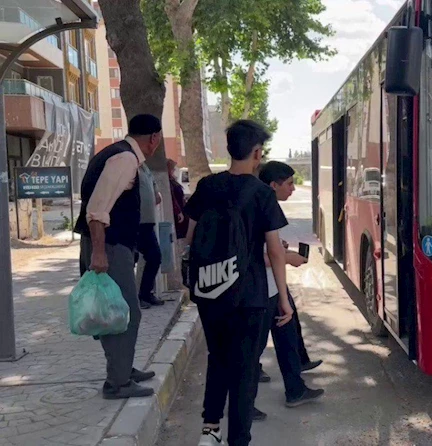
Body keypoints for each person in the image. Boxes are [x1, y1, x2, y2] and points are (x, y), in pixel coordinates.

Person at [184, 120, 293, 446]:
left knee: (217, 359)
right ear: (257, 153)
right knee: (245, 372)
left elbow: (190, 238)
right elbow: (275, 251)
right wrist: (283, 298)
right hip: (249, 295)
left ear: (230, 148)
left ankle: (210, 432)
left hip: (209, 290)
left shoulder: (207, 186)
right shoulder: (262, 193)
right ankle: (238, 441)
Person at [74, 114, 163, 399]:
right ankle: (118, 382)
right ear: (154, 138)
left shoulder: (115, 153)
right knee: (124, 313)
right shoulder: (124, 159)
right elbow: (97, 210)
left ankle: (122, 369)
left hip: (107, 244)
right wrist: (100, 253)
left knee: (115, 310)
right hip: (109, 246)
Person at [250, 161, 324, 420]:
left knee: (287, 337)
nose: (293, 188)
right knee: (252, 349)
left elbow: (267, 248)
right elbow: (253, 256)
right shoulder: (259, 206)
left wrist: (280, 250)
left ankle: (295, 389)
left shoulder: (264, 204)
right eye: (290, 184)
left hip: (272, 287)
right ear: (273, 185)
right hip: (260, 290)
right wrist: (287, 257)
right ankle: (241, 404)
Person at [134, 162, 165, 309]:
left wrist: (155, 193)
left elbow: (157, 195)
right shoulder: (130, 164)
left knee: (155, 257)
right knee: (129, 261)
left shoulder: (145, 167)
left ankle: (145, 294)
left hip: (147, 223)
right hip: (134, 222)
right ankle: (134, 299)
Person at [167, 158, 188, 241]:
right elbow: (173, 198)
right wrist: (178, 211)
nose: (174, 170)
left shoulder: (172, 181)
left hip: (181, 209)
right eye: (172, 169)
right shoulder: (169, 182)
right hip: (178, 212)